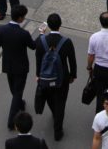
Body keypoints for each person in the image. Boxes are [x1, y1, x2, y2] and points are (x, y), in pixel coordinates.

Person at [0, 4, 36, 131]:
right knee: (17, 92)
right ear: (20, 18)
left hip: (8, 66)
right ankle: (11, 121)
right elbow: (33, 46)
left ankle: (20, 103)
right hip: (21, 67)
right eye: (23, 17)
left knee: (14, 89)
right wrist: (41, 35)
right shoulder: (24, 33)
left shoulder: (2, 30)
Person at [34, 13, 76, 141]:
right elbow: (72, 61)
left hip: (45, 78)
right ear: (60, 25)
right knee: (60, 102)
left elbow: (38, 60)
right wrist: (72, 75)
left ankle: (54, 111)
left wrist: (38, 75)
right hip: (61, 78)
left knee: (50, 99)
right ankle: (58, 131)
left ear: (48, 25)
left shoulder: (41, 41)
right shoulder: (67, 42)